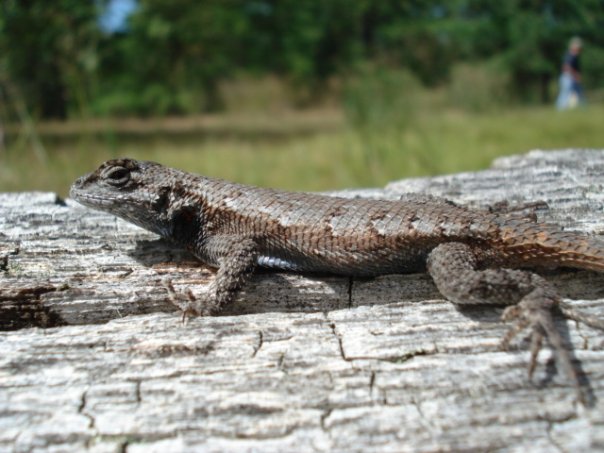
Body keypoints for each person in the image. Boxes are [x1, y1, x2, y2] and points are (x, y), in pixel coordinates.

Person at [556, 37, 584, 110]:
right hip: (568, 77)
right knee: (565, 93)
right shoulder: (569, 55)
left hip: (571, 77)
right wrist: (575, 75)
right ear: (573, 47)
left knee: (579, 92)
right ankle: (561, 109)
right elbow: (566, 67)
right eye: (578, 47)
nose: (579, 49)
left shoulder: (574, 56)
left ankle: (583, 109)